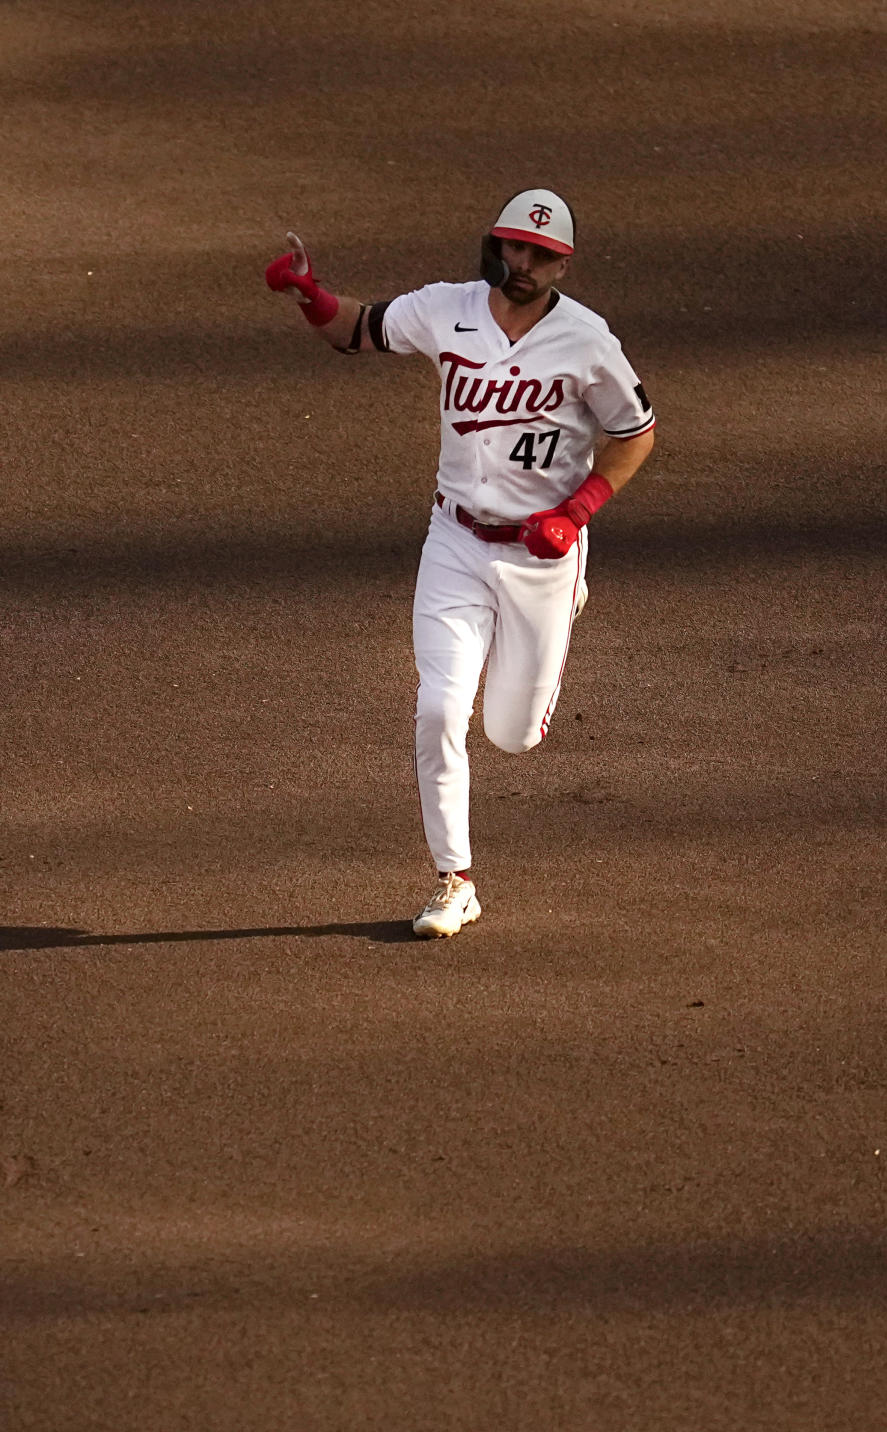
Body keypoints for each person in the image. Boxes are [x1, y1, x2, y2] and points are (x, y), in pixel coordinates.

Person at [265, 189, 656, 938]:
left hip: (545, 555)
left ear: (562, 263)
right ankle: (455, 880)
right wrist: (309, 293)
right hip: (455, 541)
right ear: (498, 245)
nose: (525, 262)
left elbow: (636, 433)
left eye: (541, 254)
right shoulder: (449, 308)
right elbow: (360, 330)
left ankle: (564, 604)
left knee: (513, 735)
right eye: (515, 247)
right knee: (441, 706)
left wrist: (577, 511)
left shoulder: (587, 341)